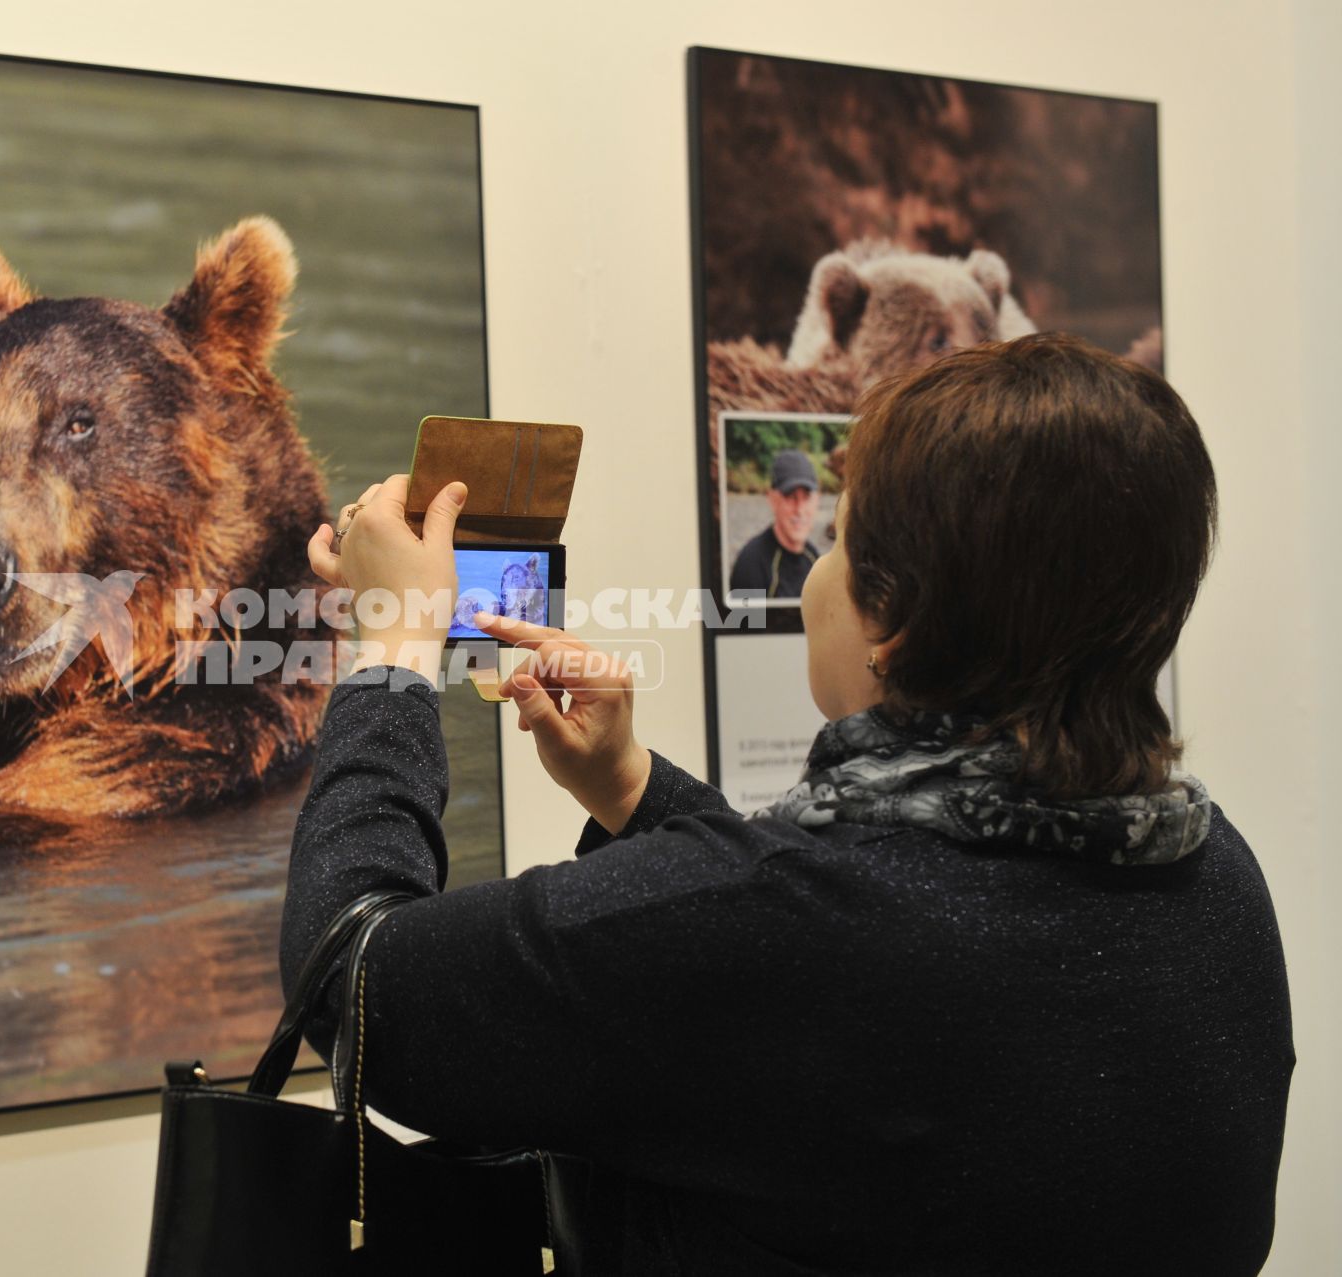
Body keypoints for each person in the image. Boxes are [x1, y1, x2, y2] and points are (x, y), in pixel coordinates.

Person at [283, 333, 1292, 1275]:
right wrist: (631, 786)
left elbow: (354, 983)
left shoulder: (797, 923)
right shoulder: (1218, 885)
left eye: (843, 541)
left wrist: (394, 653)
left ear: (892, 622)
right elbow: (812, 981)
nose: (815, 574)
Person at [728, 447, 820, 599]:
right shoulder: (751, 565)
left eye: (806, 497)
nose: (800, 509)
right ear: (772, 500)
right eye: (790, 497)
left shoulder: (814, 559)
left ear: (817, 500)